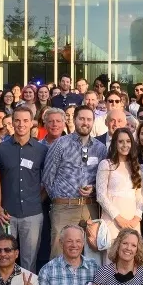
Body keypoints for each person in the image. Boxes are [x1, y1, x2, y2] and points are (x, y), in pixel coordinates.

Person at [41, 104, 106, 250]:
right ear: (74, 120)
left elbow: (103, 179)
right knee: (60, 251)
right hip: (64, 208)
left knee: (91, 253)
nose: (85, 122)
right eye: (81, 118)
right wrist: (60, 198)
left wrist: (93, 189)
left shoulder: (100, 148)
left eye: (89, 119)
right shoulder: (60, 144)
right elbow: (47, 177)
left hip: (90, 208)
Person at [0, 103, 48, 269]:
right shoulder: (0, 149)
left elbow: (47, 181)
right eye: (17, 120)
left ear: (32, 123)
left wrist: (38, 200)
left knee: (28, 261)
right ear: (12, 122)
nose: (21, 124)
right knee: (3, 259)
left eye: (25, 120)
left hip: (32, 214)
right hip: (5, 215)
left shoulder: (41, 150)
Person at [95, 125, 143, 263]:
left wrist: (136, 218)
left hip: (132, 222)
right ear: (115, 144)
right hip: (113, 220)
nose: (125, 145)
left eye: (128, 141)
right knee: (112, 259)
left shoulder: (137, 167)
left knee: (131, 260)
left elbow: (140, 196)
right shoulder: (106, 165)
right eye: (121, 141)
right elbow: (101, 195)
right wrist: (118, 217)